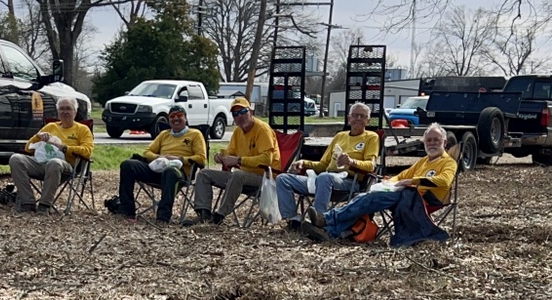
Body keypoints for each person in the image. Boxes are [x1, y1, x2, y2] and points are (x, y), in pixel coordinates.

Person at [304, 124, 457, 245]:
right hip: (408, 195)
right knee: (367, 197)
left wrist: (414, 181)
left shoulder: (448, 162)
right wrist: (387, 183)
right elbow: (401, 176)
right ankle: (330, 231)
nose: (432, 143)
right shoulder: (423, 161)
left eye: (436, 140)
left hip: (425, 200)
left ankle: (327, 220)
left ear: (444, 142)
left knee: (370, 199)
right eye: (429, 140)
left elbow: (444, 180)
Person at [275, 101, 380, 230]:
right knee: (283, 179)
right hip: (324, 179)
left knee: (324, 177)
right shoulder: (340, 136)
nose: (358, 118)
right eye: (355, 115)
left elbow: (371, 166)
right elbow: (323, 165)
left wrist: (351, 162)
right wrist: (303, 163)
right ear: (349, 118)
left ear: (368, 121)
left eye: (363, 116)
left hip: (349, 182)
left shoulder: (371, 137)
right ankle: (292, 220)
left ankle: (320, 219)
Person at [185, 96, 280, 226]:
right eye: (235, 114)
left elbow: (267, 159)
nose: (239, 116)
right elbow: (230, 153)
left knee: (237, 175)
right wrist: (220, 157)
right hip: (241, 177)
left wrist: (239, 160)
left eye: (243, 111)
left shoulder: (262, 130)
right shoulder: (238, 131)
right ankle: (204, 214)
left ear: (251, 112)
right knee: (204, 174)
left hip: (265, 178)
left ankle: (219, 215)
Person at [111, 104, 207, 222]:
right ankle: (126, 210)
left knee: (170, 171)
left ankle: (163, 217)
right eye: (172, 116)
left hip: (179, 173)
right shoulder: (164, 134)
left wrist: (180, 159)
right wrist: (159, 157)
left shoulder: (195, 134)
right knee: (128, 165)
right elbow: (147, 152)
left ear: (185, 118)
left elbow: (201, 158)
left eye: (179, 115)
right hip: (158, 169)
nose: (176, 118)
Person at [9, 97, 94, 214]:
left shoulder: (83, 129)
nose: (65, 112)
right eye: (61, 109)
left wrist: (65, 148)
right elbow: (28, 148)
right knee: (15, 159)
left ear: (75, 112)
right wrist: (38, 136)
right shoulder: (51, 126)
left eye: (68, 109)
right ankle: (28, 202)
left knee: (54, 162)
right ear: (58, 112)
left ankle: (44, 205)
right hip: (41, 163)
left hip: (67, 166)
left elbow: (87, 151)